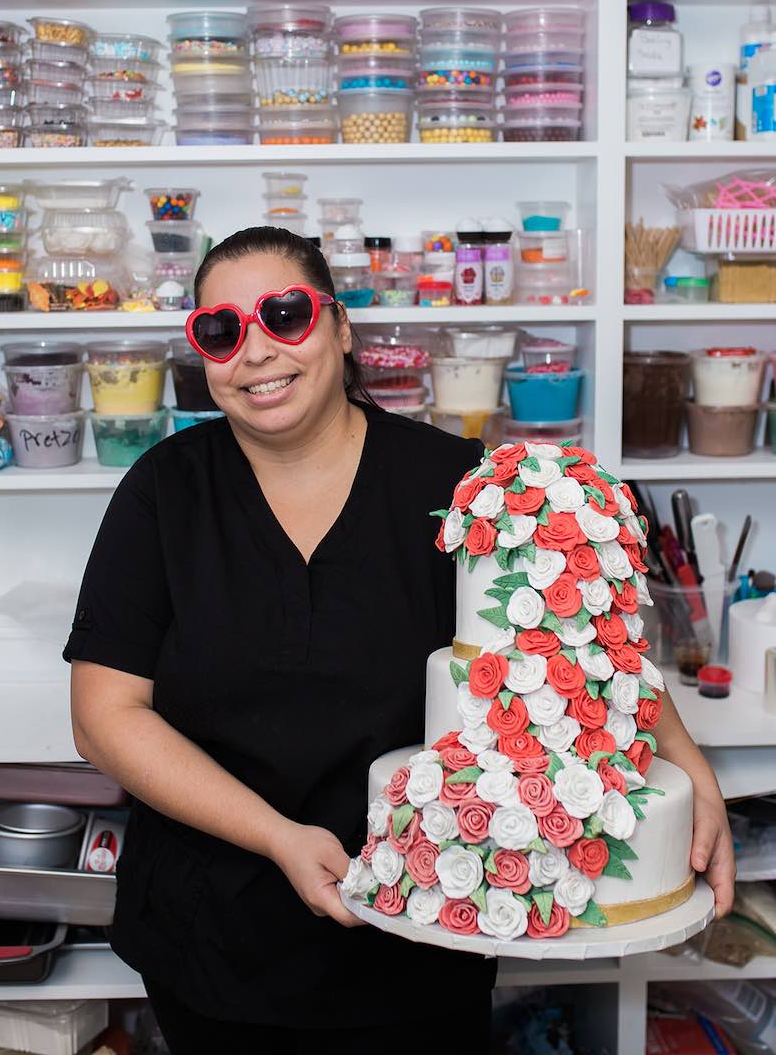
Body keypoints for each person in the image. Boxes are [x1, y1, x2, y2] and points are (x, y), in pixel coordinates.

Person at [66, 227, 734, 1054]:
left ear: (342, 328)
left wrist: (686, 761)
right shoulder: (163, 491)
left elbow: (581, 640)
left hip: (425, 927)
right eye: (221, 330)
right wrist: (277, 836)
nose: (256, 351)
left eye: (284, 314)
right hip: (211, 934)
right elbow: (105, 715)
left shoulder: (460, 485)